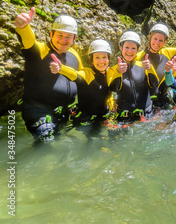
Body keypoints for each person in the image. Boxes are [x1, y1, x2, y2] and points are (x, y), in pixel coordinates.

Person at [14, 7, 83, 141]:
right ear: (51, 34)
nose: (64, 40)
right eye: (60, 35)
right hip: (39, 110)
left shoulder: (75, 56)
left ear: (75, 38)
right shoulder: (41, 51)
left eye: (68, 37)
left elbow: (83, 79)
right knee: (46, 140)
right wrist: (23, 28)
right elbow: (29, 43)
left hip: (64, 113)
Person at [50, 39, 112, 134]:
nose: (101, 61)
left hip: (103, 117)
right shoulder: (86, 74)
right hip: (85, 120)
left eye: (104, 57)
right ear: (91, 60)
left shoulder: (110, 74)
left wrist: (113, 104)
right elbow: (74, 74)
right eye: (97, 58)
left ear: (109, 59)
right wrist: (61, 68)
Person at [107, 31, 159, 125]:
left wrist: (150, 68)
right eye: (127, 47)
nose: (130, 51)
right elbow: (113, 89)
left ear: (137, 50)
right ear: (120, 47)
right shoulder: (112, 70)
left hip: (147, 116)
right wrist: (118, 72)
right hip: (125, 120)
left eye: (133, 48)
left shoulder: (144, 65)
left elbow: (154, 84)